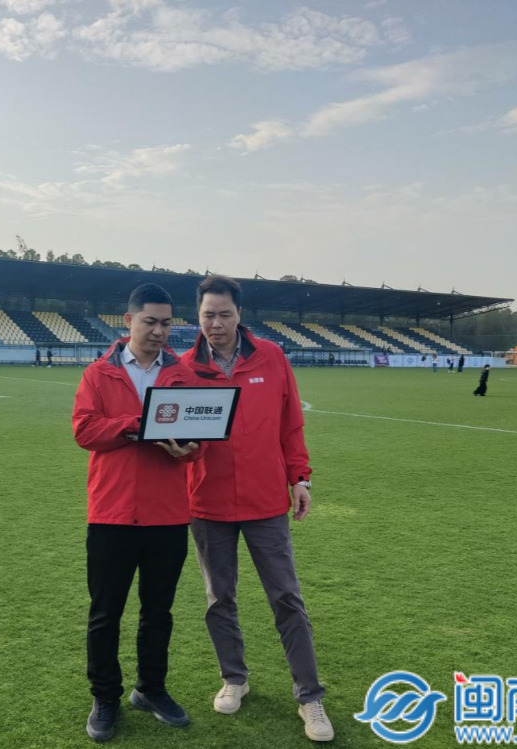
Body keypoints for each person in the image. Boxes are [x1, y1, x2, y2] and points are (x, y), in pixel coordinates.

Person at [180, 275, 333, 742]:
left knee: (286, 597)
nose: (216, 323)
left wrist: (300, 478)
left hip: (266, 501)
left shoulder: (272, 356)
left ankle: (310, 696)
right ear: (198, 316)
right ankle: (234, 678)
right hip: (207, 502)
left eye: (224, 314)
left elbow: (291, 424)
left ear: (239, 314)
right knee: (219, 598)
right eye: (208, 315)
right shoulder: (183, 368)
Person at [73, 283, 202, 742]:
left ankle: (151, 689)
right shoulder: (98, 373)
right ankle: (105, 696)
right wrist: (139, 424)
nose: (159, 331)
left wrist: (189, 449)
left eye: (166, 323)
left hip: (168, 514)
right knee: (105, 613)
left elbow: (196, 438)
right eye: (150, 322)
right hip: (111, 513)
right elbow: (85, 431)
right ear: (128, 321)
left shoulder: (183, 375)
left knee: (158, 612)